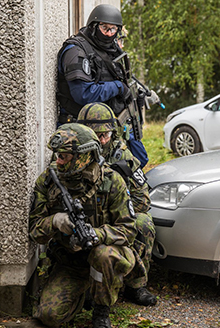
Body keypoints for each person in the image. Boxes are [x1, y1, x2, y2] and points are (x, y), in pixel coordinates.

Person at [29, 123, 139, 328]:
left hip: (108, 255)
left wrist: (97, 235)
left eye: (64, 156)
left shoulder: (111, 181)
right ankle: (85, 290)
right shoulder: (47, 182)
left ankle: (101, 310)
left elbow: (129, 229)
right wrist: (55, 222)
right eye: (57, 155)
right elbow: (35, 230)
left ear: (84, 156)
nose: (58, 161)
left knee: (102, 255)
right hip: (71, 261)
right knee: (49, 316)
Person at [77, 102, 156, 306]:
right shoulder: (71, 154)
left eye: (107, 135)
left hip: (116, 217)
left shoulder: (123, 156)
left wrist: (119, 209)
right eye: (97, 135)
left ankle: (136, 285)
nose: (103, 140)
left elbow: (143, 199)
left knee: (144, 223)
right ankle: (85, 284)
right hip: (86, 217)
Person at [56, 3, 149, 168]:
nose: (109, 34)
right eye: (104, 28)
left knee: (137, 163)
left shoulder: (108, 49)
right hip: (79, 130)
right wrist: (118, 87)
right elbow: (83, 94)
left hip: (104, 128)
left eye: (113, 30)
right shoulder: (75, 51)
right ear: (93, 26)